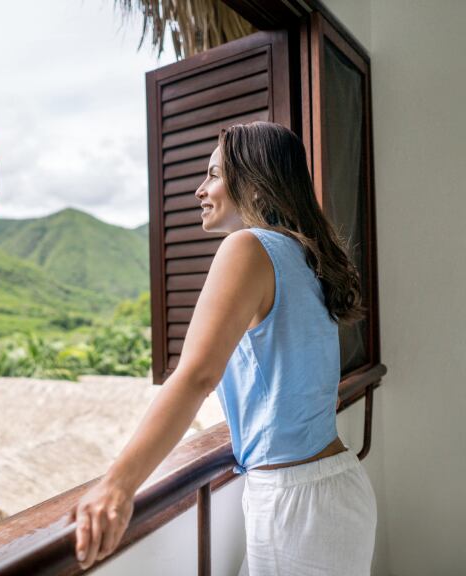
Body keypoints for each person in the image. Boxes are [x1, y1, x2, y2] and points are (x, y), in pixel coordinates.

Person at [69, 121, 377, 575]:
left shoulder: (248, 248)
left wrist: (117, 486)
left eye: (213, 174)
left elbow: (197, 375)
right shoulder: (306, 257)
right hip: (335, 485)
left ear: (254, 185)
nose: (199, 189)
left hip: (296, 503)